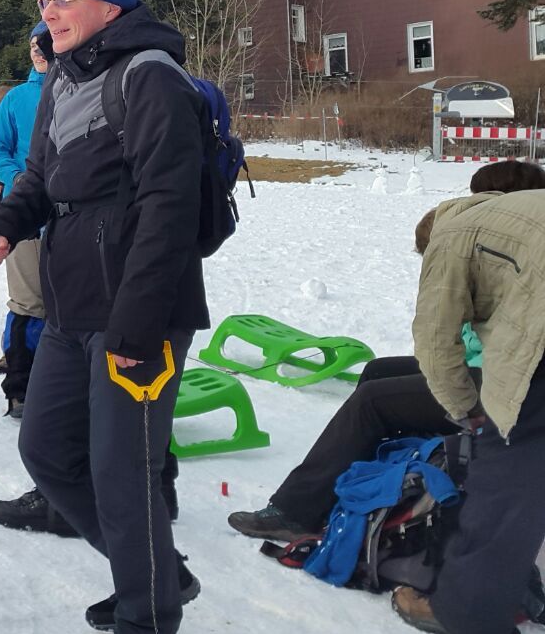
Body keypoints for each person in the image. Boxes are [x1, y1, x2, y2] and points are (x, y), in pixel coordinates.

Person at [0, 0, 208, 634]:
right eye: (44, 1)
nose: (49, 11)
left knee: (120, 472)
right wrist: (4, 220)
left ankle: (147, 615)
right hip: (72, 303)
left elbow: (170, 209)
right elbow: (39, 177)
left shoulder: (150, 77)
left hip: (139, 314)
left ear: (109, 4)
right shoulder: (62, 79)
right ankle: (158, 572)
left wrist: (136, 326)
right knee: (44, 450)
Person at [229, 161, 545, 544]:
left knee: (372, 402)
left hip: (512, 380)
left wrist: (466, 409)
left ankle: (296, 511)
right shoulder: (511, 236)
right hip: (497, 366)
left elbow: (442, 340)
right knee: (379, 371)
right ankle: (367, 486)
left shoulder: (471, 236)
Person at [391, 187, 545, 634]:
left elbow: (436, 347)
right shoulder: (513, 210)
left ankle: (467, 611)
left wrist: (469, 412)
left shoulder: (451, 237)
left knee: (505, 472)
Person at [0, 25, 50, 416]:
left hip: (76, 221)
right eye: (31, 46)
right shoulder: (17, 99)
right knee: (28, 303)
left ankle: (62, 389)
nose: (37, 52)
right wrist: (18, 179)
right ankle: (21, 389)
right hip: (24, 216)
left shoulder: (84, 90)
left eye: (43, 45)